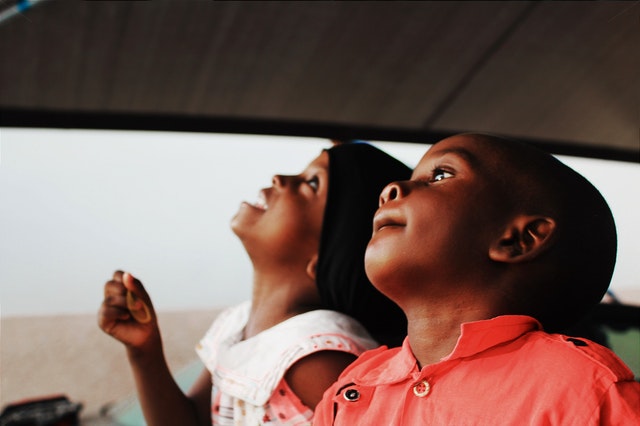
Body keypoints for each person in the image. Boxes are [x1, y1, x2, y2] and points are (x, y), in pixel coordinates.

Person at [315, 133, 640, 425]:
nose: (391, 190)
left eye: (440, 175)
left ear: (518, 239)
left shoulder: (583, 389)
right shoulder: (354, 385)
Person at [98, 141, 410, 425]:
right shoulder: (237, 324)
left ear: (329, 256)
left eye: (312, 184)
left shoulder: (317, 359)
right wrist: (144, 352)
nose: (280, 178)